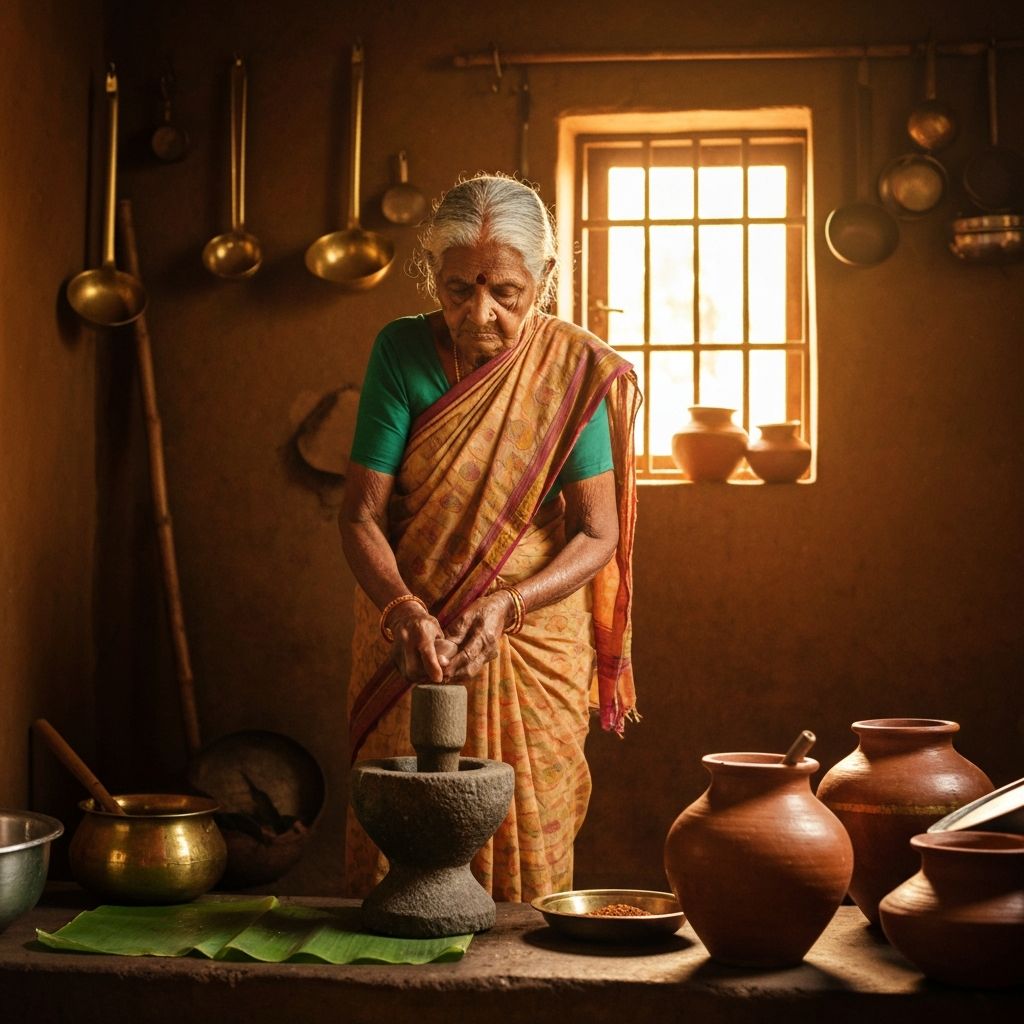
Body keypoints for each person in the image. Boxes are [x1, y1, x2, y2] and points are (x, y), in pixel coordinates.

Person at [340, 173, 641, 902]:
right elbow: (358, 516)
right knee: (404, 853)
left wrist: (510, 604)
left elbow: (597, 532)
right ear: (433, 278)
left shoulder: (570, 368)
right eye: (457, 289)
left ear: (543, 277)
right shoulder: (401, 352)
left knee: (525, 848)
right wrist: (404, 611)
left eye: (505, 292)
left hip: (530, 636)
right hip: (408, 635)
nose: (479, 314)